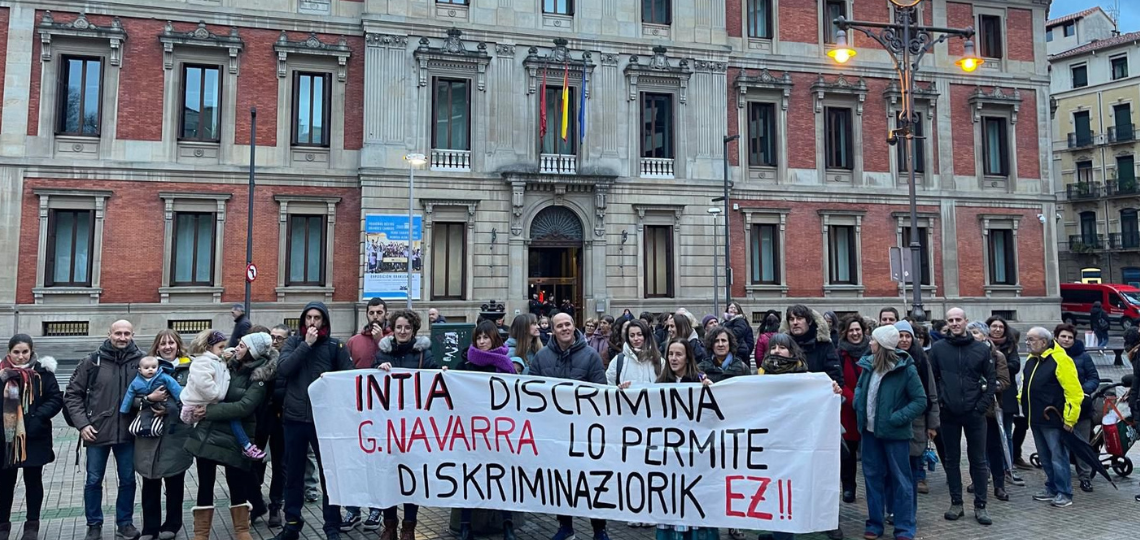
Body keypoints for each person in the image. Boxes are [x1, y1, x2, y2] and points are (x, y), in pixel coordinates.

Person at [185, 332, 277, 540]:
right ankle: (201, 534)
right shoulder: (226, 364)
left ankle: (242, 531)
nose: (236, 348)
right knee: (204, 484)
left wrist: (208, 411)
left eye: (242, 345)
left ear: (252, 352)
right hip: (210, 434)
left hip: (237, 438)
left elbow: (245, 407)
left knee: (237, 485)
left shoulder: (260, 378)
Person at [274, 302, 354, 540]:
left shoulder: (335, 346)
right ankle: (292, 524)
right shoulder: (293, 343)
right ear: (302, 321)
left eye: (317, 318)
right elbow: (284, 369)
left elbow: (347, 379)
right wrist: (306, 345)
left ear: (324, 322)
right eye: (308, 317)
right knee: (294, 475)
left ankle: (331, 526)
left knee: (328, 473)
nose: (312, 322)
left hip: (325, 420)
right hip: (295, 418)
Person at [755, 334, 842, 540]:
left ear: (792, 352)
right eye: (773, 347)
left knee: (791, 489)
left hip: (797, 444)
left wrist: (832, 392)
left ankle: (785, 534)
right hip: (770, 443)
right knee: (775, 489)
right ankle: (778, 533)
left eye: (782, 347)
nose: (777, 351)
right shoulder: (760, 377)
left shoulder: (808, 378)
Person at [530, 312, 608, 540]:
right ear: (552, 330)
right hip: (556, 433)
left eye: (568, 324)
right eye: (559, 326)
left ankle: (599, 528)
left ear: (574, 327)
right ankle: (565, 526)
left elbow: (601, 392)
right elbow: (530, 394)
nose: (564, 328)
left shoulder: (591, 356)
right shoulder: (542, 357)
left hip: (584, 432)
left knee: (592, 481)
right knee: (561, 481)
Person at [65, 320, 145, 540]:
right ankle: (94, 525)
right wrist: (82, 424)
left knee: (128, 480)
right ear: (109, 334)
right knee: (93, 480)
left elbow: (153, 388)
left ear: (132, 334)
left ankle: (125, 523)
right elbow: (72, 394)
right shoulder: (92, 361)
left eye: (126, 333)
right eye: (118, 333)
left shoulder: (141, 361)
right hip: (96, 431)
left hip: (128, 433)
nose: (122, 337)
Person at [854, 325, 926, 540]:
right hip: (869, 433)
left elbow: (920, 400)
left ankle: (904, 528)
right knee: (872, 478)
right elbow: (860, 389)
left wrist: (897, 418)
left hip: (895, 435)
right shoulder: (868, 365)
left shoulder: (905, 368)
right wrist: (858, 403)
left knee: (901, 480)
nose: (870, 343)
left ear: (883, 345)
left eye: (874, 340)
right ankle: (874, 524)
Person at [927, 308, 996, 525]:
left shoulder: (981, 349)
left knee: (978, 460)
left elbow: (991, 380)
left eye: (959, 319)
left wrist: (981, 407)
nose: (955, 323)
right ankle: (956, 502)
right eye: (951, 320)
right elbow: (933, 379)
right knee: (951, 460)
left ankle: (981, 505)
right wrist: (941, 402)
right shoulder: (938, 349)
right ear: (947, 324)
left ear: (966, 321)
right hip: (949, 414)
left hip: (975, 413)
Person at [373, 309, 437, 540]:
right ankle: (389, 524)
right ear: (393, 329)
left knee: (411, 477)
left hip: (413, 428)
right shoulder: (381, 354)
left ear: (414, 330)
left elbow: (434, 382)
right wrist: (378, 372)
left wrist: (442, 375)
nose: (402, 331)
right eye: (399, 327)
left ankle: (409, 526)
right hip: (387, 427)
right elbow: (368, 386)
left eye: (407, 328)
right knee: (388, 477)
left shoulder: (425, 355)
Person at [455, 321, 516, 540]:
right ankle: (465, 525)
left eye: (485, 338)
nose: (481, 342)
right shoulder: (464, 364)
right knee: (468, 477)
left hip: (498, 432)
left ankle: (507, 523)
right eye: (478, 338)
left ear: (494, 339)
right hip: (471, 431)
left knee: (501, 477)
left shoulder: (505, 365)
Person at [0, 335, 62, 540]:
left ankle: (32, 524)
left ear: (31, 351)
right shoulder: (1, 373)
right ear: (9, 352)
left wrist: (37, 417)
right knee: (4, 483)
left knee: (33, 481)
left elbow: (55, 398)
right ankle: (3, 524)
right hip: (6, 438)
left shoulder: (42, 372)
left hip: (34, 436)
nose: (20, 356)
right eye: (16, 352)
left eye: (24, 352)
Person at [136, 330, 193, 540]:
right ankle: (150, 527)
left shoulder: (190, 367)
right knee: (150, 482)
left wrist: (171, 408)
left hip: (177, 434)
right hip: (149, 433)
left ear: (178, 345)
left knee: (174, 481)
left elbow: (194, 399)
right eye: (163, 343)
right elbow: (132, 396)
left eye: (171, 343)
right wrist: (149, 399)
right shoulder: (147, 367)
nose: (167, 347)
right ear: (157, 347)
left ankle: (172, 524)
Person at [1021, 327, 1084, 508]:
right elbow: (1024, 386)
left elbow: (1073, 391)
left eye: (1031, 339)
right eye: (1027, 339)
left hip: (1052, 418)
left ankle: (1064, 492)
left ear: (1044, 341)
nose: (1028, 343)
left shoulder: (1061, 360)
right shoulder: (1032, 359)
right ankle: (1051, 487)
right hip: (1036, 417)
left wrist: (1070, 419)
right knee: (1044, 456)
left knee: (1058, 456)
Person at [180, 331, 265, 460]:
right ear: (209, 347)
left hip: (209, 405)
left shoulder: (217, 360)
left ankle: (247, 446)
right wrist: (217, 394)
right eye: (220, 347)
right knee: (233, 418)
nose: (224, 350)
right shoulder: (203, 361)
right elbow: (204, 383)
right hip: (201, 402)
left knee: (233, 418)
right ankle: (247, 445)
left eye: (241, 346)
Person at [965, 322, 1012, 502]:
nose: (973, 335)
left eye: (976, 332)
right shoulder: (966, 353)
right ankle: (978, 480)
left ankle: (999, 485)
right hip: (970, 409)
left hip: (990, 410)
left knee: (993, 448)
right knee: (974, 449)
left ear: (984, 336)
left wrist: (986, 387)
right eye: (970, 332)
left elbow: (1004, 381)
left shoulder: (996, 355)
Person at [1053, 323, 1102, 492]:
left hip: (1081, 407)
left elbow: (1094, 378)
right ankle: (1061, 478)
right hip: (1058, 408)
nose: (1066, 340)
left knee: (1082, 443)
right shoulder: (1051, 355)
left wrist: (1082, 391)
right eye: (1063, 336)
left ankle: (1085, 477)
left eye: (1070, 337)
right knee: (1060, 444)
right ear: (1056, 338)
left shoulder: (1083, 356)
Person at [895, 321, 939, 497]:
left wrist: (932, 423)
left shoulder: (921, 359)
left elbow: (931, 392)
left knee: (914, 460)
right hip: (895, 419)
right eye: (900, 336)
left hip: (918, 419)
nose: (904, 340)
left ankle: (911, 497)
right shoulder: (887, 357)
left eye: (908, 336)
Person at [986, 316, 1025, 486]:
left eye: (1000, 327)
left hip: (1006, 396)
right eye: (994, 326)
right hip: (986, 398)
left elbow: (1015, 366)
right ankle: (987, 469)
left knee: (1006, 433)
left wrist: (997, 366)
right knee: (987, 436)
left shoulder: (1010, 346)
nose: (997, 329)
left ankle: (1008, 467)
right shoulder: (982, 345)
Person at [835, 314, 869, 503]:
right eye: (851, 330)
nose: (855, 333)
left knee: (870, 451)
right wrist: (853, 398)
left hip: (870, 408)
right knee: (848, 454)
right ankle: (849, 487)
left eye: (858, 330)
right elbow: (839, 379)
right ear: (844, 333)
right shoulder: (840, 353)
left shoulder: (872, 350)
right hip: (847, 409)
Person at [607, 319, 663, 388]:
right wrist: (619, 390)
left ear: (646, 336)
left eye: (639, 335)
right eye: (632, 335)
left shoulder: (659, 361)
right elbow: (609, 387)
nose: (636, 338)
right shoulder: (618, 361)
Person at [347, 298, 390, 370]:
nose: (375, 317)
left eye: (379, 313)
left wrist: (380, 341)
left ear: (386, 314)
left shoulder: (394, 338)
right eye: (371, 313)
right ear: (366, 315)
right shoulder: (353, 341)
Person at [722, 302, 756, 368]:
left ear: (738, 310)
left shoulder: (741, 321)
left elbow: (749, 342)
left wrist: (745, 350)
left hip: (739, 353)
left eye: (735, 308)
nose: (733, 309)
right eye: (731, 307)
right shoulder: (723, 323)